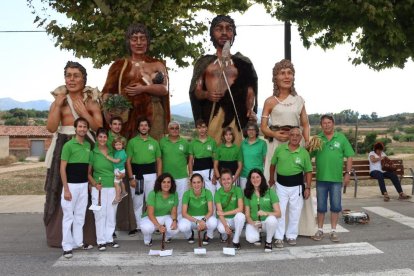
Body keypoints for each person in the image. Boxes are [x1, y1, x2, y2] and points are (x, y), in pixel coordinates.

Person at [44, 61, 102, 248]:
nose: (71, 79)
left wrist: (84, 112)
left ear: (84, 79)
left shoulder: (91, 100)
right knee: (61, 187)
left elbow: (99, 127)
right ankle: (58, 237)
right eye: (68, 75)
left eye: (76, 75)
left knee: (88, 187)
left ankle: (88, 236)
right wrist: (56, 106)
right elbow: (51, 127)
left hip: (86, 145)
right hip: (63, 145)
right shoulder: (59, 101)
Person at [189, 14, 258, 146]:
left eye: (229, 29)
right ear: (212, 33)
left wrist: (250, 108)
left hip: (236, 116)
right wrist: (206, 94)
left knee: (235, 153)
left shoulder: (243, 62)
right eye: (219, 29)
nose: (224, 32)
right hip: (212, 115)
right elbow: (195, 90)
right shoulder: (204, 63)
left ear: (233, 33)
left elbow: (250, 90)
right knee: (213, 153)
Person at [102, 23, 170, 140]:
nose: (139, 43)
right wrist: (109, 110)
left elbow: (164, 89)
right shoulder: (119, 65)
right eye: (134, 39)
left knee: (152, 148)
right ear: (128, 42)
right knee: (125, 149)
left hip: (153, 113)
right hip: (125, 114)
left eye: (142, 39)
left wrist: (144, 88)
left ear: (147, 41)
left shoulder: (157, 64)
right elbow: (107, 92)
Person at [260, 59, 310, 182]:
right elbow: (263, 127)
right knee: (274, 175)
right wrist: (274, 134)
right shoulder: (269, 101)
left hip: (296, 143)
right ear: (275, 78)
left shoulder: (299, 100)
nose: (287, 76)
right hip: (276, 144)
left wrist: (307, 141)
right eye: (282, 73)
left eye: (289, 73)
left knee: (295, 175)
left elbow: (305, 124)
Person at [311, 114, 354, 242]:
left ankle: (334, 231)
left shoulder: (341, 138)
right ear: (321, 125)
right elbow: (308, 155)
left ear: (333, 124)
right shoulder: (317, 138)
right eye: (324, 123)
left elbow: (350, 156)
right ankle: (320, 230)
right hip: (321, 179)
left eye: (329, 122)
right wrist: (308, 145)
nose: (327, 125)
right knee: (321, 206)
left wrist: (348, 173)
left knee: (335, 206)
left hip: (336, 179)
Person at [269, 127, 312, 248]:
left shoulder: (304, 153)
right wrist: (271, 179)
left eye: (297, 135)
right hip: (280, 186)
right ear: (289, 136)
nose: (294, 137)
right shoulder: (280, 149)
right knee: (279, 212)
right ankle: (278, 237)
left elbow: (308, 171)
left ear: (301, 138)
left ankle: (291, 235)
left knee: (295, 212)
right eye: (292, 134)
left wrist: (308, 187)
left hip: (297, 187)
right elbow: (272, 165)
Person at [60, 117, 93, 258]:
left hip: (83, 186)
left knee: (80, 216)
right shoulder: (68, 145)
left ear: (87, 129)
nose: (82, 129)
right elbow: (62, 169)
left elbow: (88, 170)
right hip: (71, 187)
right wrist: (66, 189)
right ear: (75, 129)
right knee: (68, 216)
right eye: (80, 126)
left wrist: (90, 184)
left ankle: (78, 242)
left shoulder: (88, 145)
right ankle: (67, 246)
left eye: (85, 127)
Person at [126, 118, 162, 236]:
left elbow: (159, 161)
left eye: (146, 125)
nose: (143, 127)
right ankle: (138, 225)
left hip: (151, 175)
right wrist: (131, 178)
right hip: (137, 176)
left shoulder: (154, 142)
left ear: (149, 127)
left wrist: (159, 177)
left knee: (151, 200)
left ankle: (154, 224)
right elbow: (128, 161)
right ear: (138, 128)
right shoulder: (132, 142)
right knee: (137, 202)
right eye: (141, 125)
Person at [88, 128, 120, 251]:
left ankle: (109, 239)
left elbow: (118, 166)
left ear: (107, 138)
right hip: (99, 188)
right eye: (100, 137)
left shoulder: (112, 151)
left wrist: (120, 175)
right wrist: (95, 184)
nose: (102, 139)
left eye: (104, 137)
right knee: (100, 215)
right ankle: (101, 241)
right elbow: (88, 173)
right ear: (96, 138)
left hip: (113, 186)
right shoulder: (93, 152)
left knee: (111, 214)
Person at [106, 116, 136, 233]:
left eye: (119, 124)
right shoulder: (105, 137)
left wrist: (127, 175)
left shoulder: (123, 139)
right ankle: (110, 229)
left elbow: (125, 158)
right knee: (109, 201)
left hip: (120, 172)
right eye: (115, 124)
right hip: (108, 172)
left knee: (121, 201)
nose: (117, 126)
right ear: (110, 125)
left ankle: (124, 225)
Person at [244, 169, 281, 253]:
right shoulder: (247, 193)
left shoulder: (270, 191)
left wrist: (266, 213)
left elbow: (279, 213)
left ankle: (268, 241)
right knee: (251, 239)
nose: (255, 180)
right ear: (250, 180)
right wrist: (253, 224)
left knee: (272, 219)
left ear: (262, 178)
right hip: (255, 222)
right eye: (253, 177)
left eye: (257, 177)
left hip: (266, 223)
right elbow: (247, 215)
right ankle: (258, 236)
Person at [159, 121, 189, 218]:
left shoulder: (185, 143)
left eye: (177, 128)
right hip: (166, 176)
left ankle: (179, 218)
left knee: (181, 198)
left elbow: (188, 158)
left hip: (182, 176)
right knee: (167, 197)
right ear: (168, 130)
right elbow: (159, 159)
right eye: (172, 128)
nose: (175, 130)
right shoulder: (162, 142)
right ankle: (167, 218)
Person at [140, 173, 179, 246]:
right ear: (159, 183)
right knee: (147, 228)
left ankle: (167, 236)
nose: (166, 184)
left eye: (168, 182)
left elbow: (173, 211)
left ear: (171, 183)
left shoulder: (174, 194)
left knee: (175, 229)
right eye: (163, 182)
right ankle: (147, 237)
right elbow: (150, 213)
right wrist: (159, 226)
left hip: (165, 216)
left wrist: (174, 221)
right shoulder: (153, 193)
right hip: (150, 217)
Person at [178, 173, 218, 245]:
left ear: (202, 183)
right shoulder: (186, 194)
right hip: (192, 219)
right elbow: (184, 213)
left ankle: (207, 235)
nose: (196, 185)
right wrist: (197, 221)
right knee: (182, 226)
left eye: (198, 182)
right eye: (194, 182)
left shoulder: (207, 192)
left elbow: (210, 211)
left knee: (214, 222)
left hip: (205, 218)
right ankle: (190, 235)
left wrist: (203, 220)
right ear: (191, 184)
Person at [215, 169, 245, 250]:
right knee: (222, 229)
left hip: (234, 218)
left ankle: (236, 240)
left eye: (228, 179)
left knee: (241, 216)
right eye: (223, 179)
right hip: (224, 219)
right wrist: (225, 226)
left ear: (232, 180)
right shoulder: (218, 193)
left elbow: (240, 208)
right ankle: (225, 234)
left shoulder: (237, 190)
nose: (226, 181)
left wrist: (225, 213)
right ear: (220, 181)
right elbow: (219, 213)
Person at [189, 119, 217, 197]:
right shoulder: (193, 143)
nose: (201, 130)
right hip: (197, 169)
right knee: (197, 193)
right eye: (199, 128)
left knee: (211, 193)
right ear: (197, 129)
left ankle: (212, 209)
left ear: (206, 128)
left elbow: (215, 160)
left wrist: (214, 175)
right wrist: (191, 174)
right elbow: (190, 160)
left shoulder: (212, 141)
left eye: (203, 127)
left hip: (209, 170)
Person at [240, 121, 267, 191]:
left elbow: (265, 160)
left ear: (256, 131)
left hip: (258, 176)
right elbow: (240, 160)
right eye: (249, 129)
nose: (251, 131)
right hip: (244, 175)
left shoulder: (262, 143)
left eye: (253, 130)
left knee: (257, 197)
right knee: (245, 197)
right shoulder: (242, 143)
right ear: (246, 131)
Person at [105, 137, 128, 204]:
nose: (118, 146)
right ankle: (124, 191)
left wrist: (108, 157)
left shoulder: (122, 152)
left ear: (123, 145)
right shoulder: (118, 151)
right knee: (121, 181)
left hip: (118, 170)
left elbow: (117, 161)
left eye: (120, 144)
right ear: (114, 146)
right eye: (116, 145)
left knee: (116, 183)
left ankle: (118, 197)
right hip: (120, 169)